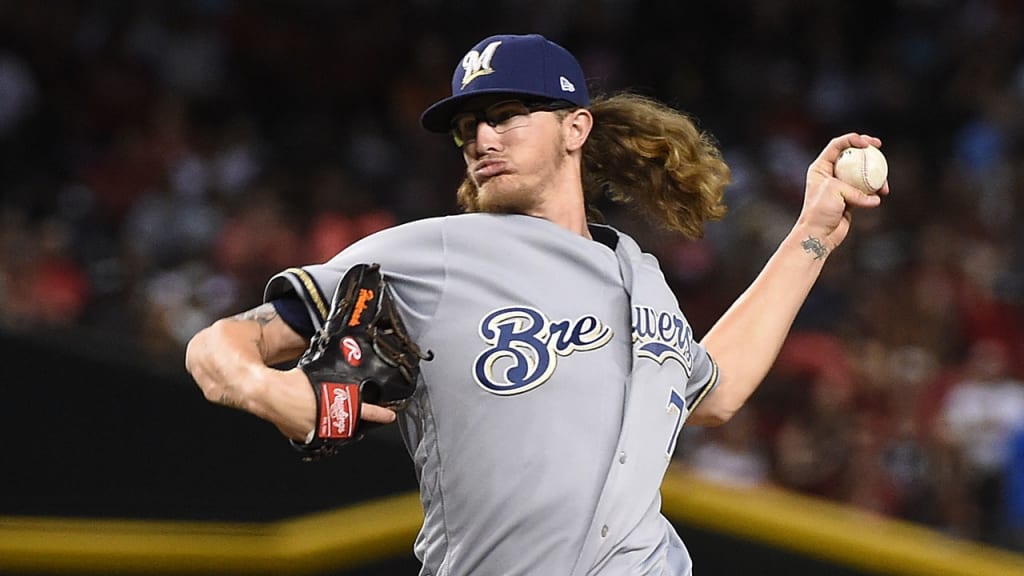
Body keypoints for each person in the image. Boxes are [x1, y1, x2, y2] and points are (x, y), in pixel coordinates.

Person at [185, 33, 888, 575]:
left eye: (506, 115)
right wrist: (269, 390)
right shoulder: (429, 254)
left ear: (575, 128)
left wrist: (814, 234)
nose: (482, 139)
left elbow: (717, 389)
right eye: (469, 128)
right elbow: (215, 345)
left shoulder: (641, 276)